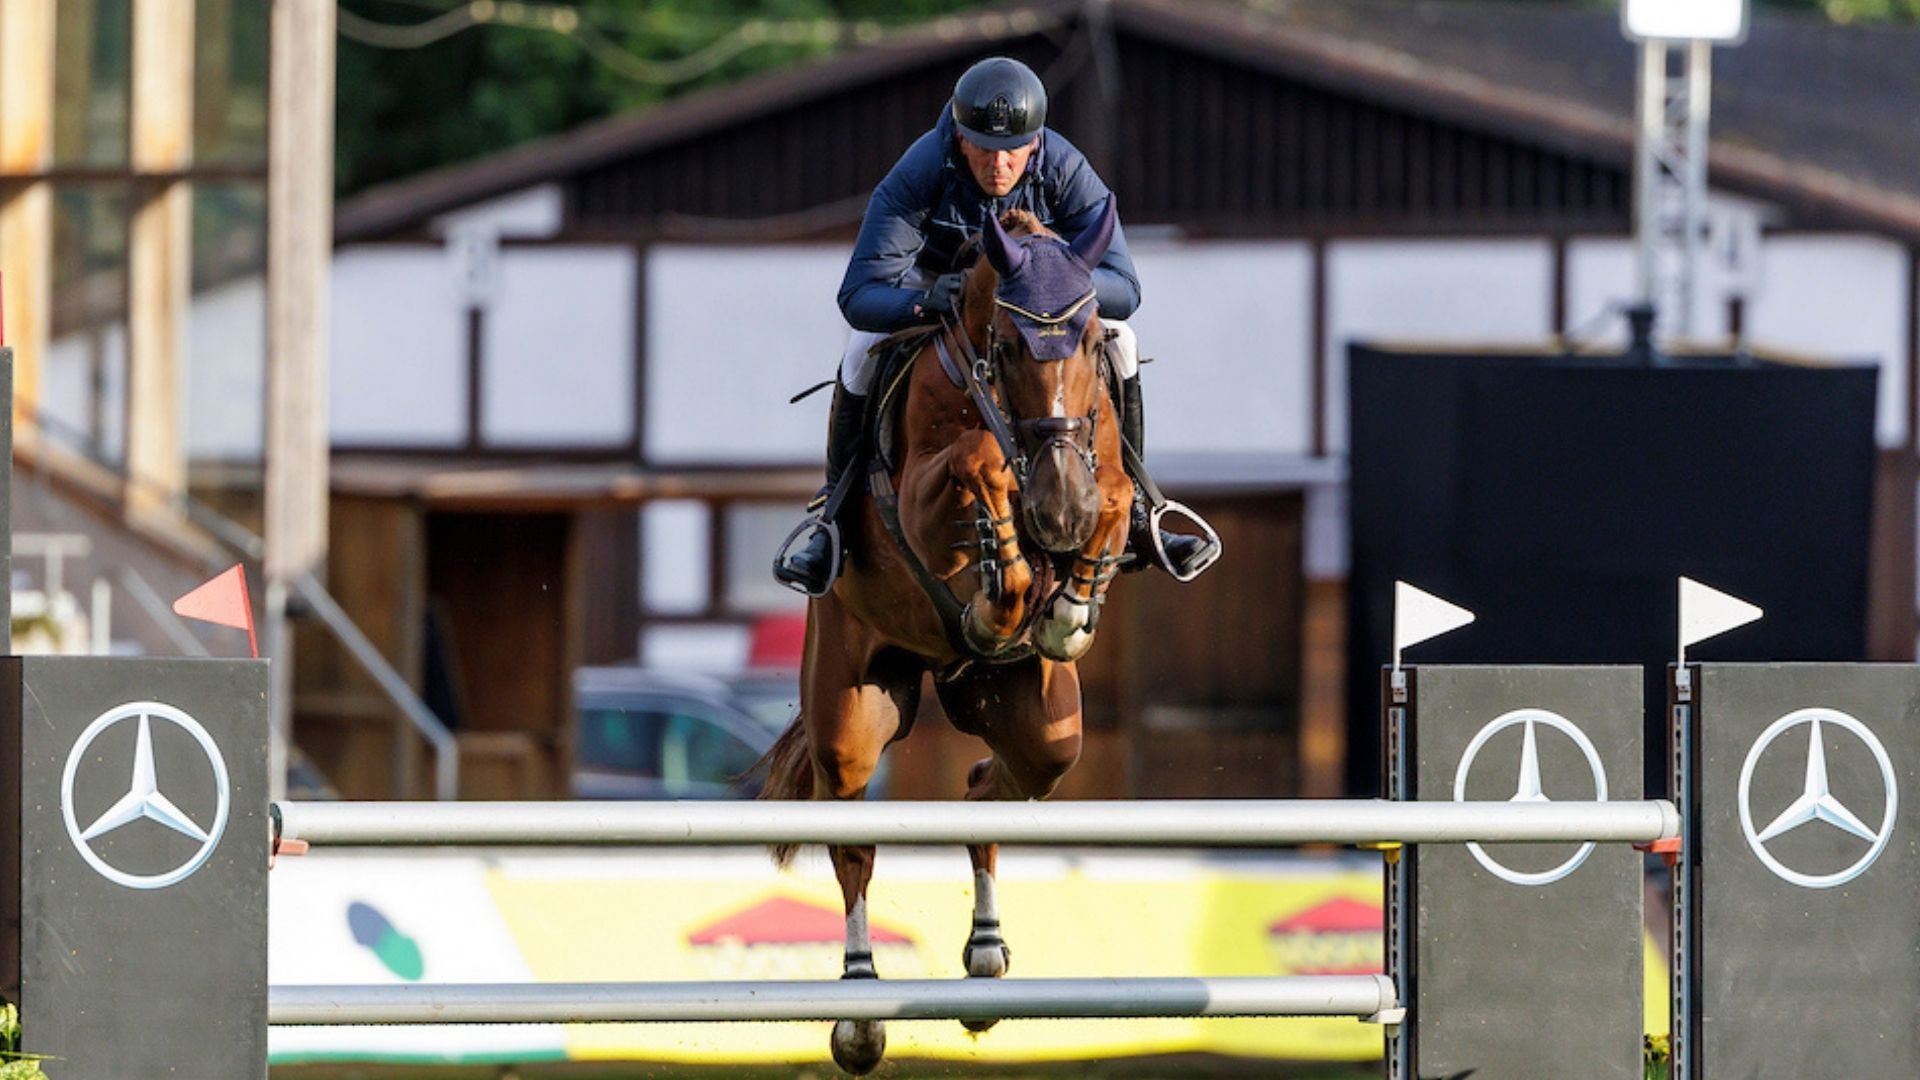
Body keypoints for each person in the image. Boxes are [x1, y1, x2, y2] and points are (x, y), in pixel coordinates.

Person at [774, 56, 1218, 596]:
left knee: (1121, 342)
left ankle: (1144, 511)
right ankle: (833, 519)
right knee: (860, 348)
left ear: (1036, 142)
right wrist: (927, 301)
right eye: (983, 147)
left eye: (1014, 149)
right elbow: (858, 295)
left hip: (1035, 307)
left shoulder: (1065, 168)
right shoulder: (921, 170)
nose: (999, 164)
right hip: (938, 296)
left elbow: (1125, 287)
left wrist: (1050, 287)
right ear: (960, 138)